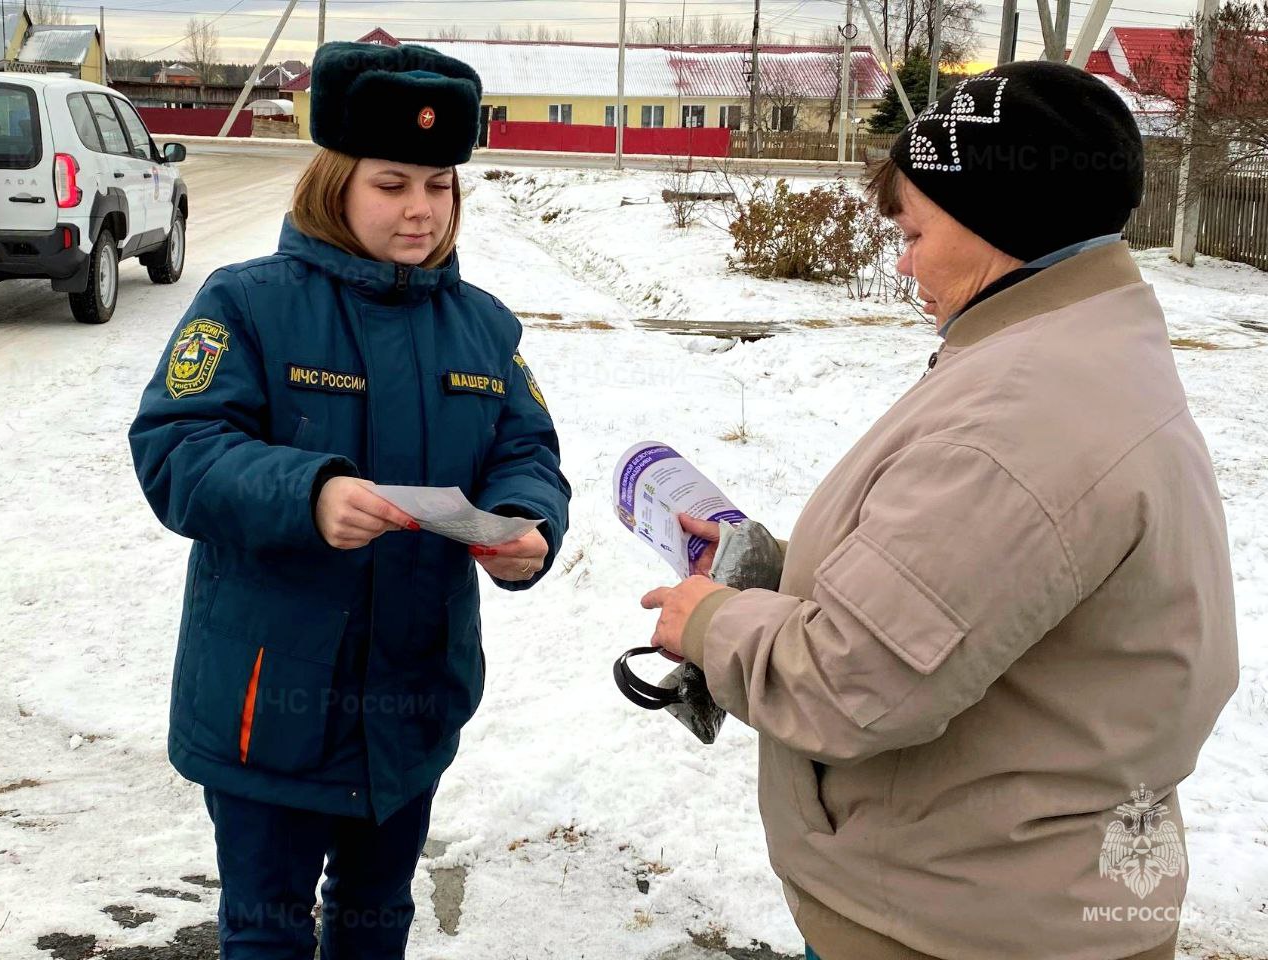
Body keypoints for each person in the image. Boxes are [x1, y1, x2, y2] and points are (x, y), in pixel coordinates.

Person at [643, 61, 1238, 960]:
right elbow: (992, 588)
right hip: (1000, 900)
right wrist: (784, 566)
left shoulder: (1022, 418)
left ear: (1003, 223)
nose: (903, 260)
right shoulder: (1081, 345)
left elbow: (853, 685)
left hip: (951, 926)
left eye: (916, 231)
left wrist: (713, 622)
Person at [128, 41, 570, 959]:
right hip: (268, 706)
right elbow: (176, 449)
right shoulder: (247, 304)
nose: (420, 209)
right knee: (268, 929)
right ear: (337, 182)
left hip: (410, 704)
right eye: (391, 183)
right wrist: (311, 491)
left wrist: (527, 523)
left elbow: (525, 447)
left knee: (378, 918)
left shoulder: (482, 325)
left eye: (440, 185)